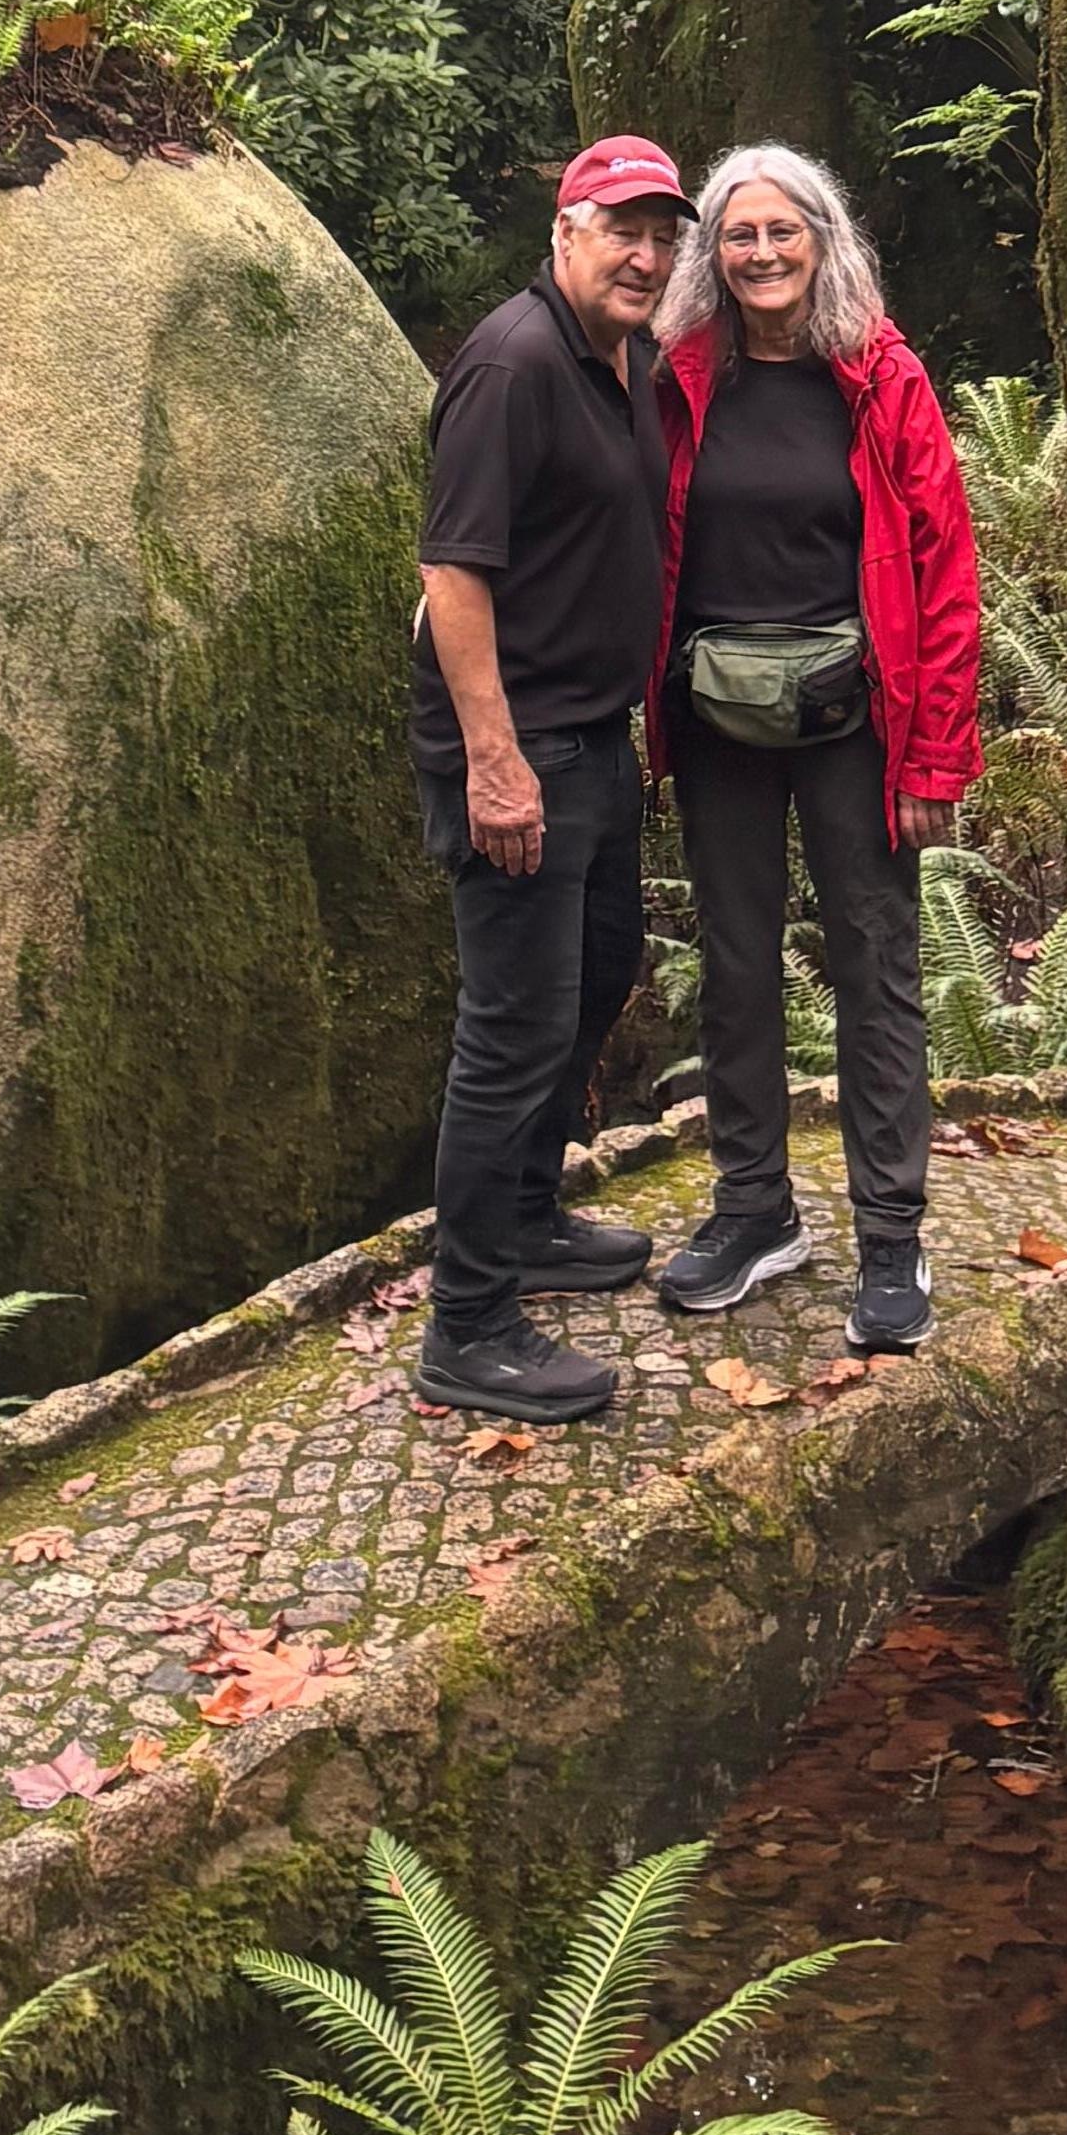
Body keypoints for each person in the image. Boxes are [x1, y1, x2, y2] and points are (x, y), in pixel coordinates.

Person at [646, 143, 978, 1356]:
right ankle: (755, 1211)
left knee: (876, 965)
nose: (764, 252)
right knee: (735, 967)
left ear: (825, 241)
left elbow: (944, 566)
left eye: (786, 231)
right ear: (712, 253)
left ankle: (892, 1238)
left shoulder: (880, 375)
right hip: (713, 716)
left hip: (858, 718)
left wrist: (936, 757)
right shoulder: (680, 373)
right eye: (741, 235)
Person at [407, 129, 687, 1417]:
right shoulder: (513, 365)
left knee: (595, 983)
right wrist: (496, 763)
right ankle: (467, 1323)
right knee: (512, 1033)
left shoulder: (627, 363)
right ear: (565, 233)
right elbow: (453, 574)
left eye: (660, 235)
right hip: (520, 747)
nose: (644, 253)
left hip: (593, 736)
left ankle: (525, 1217)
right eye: (620, 228)